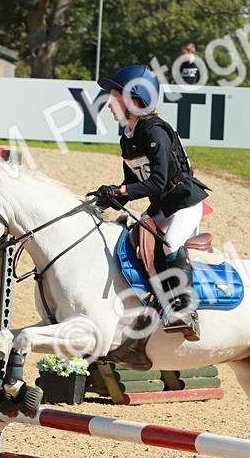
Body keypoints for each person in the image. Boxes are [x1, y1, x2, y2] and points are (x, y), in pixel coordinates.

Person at [89, 65, 210, 338]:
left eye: (114, 96)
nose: (109, 103)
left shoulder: (155, 132)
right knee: (131, 238)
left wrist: (120, 191)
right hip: (161, 207)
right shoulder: (128, 138)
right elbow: (132, 186)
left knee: (169, 245)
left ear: (134, 99)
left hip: (184, 203)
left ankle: (185, 309)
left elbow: (155, 182)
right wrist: (106, 198)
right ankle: (150, 298)